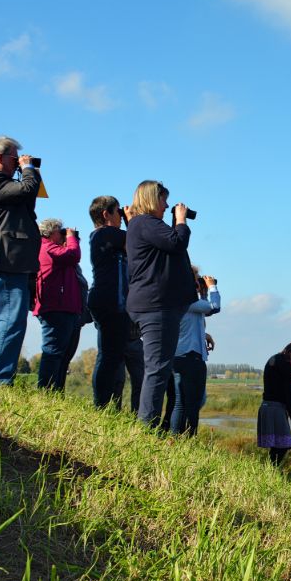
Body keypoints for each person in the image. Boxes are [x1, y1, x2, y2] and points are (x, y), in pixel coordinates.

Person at [125, 180, 197, 426]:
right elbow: (177, 242)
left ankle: (148, 423)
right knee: (158, 368)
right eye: (164, 200)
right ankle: (146, 427)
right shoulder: (145, 222)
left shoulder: (145, 225)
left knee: (159, 367)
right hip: (156, 306)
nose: (167, 206)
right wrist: (180, 220)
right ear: (151, 199)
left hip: (156, 305)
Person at [0, 135, 42, 385]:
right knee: (10, 321)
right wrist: (29, 170)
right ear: (0, 158)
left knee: (0, 320)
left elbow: (27, 201)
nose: (18, 163)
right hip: (8, 258)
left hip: (6, 258)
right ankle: (0, 378)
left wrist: (29, 171)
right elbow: (26, 188)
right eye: (14, 158)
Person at [87, 195, 131, 408]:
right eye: (118, 212)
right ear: (106, 214)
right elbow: (138, 240)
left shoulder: (104, 236)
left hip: (107, 300)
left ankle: (103, 405)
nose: (121, 217)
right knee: (108, 356)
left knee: (110, 355)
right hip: (109, 301)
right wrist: (133, 220)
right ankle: (100, 405)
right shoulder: (105, 233)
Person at [169, 272, 220, 436]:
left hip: (178, 355)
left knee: (180, 401)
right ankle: (189, 437)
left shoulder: (176, 298)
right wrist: (211, 286)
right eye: (197, 279)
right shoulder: (188, 300)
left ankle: (176, 438)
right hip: (190, 357)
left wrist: (204, 334)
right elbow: (214, 307)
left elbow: (191, 323)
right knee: (192, 401)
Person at [33, 219, 81, 390]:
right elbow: (73, 255)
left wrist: (70, 240)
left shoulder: (52, 248)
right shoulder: (47, 247)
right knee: (53, 352)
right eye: (59, 231)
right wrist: (71, 237)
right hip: (56, 307)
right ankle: (45, 390)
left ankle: (54, 391)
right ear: (50, 232)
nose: (62, 234)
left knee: (60, 353)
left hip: (61, 306)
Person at [259, 340, 291, 465]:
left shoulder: (277, 360)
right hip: (274, 407)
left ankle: (270, 472)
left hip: (271, 406)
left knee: (277, 446)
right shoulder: (281, 363)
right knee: (283, 445)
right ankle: (271, 470)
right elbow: (286, 393)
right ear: (290, 352)